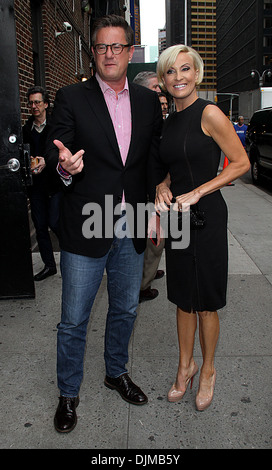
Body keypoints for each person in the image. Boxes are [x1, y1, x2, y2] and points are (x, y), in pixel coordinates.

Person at [45, 15, 163, 433]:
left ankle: (116, 372)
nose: (109, 54)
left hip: (131, 222)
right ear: (93, 52)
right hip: (86, 226)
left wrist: (153, 211)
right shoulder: (71, 97)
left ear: (130, 52)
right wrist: (65, 167)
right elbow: (55, 151)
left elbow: (150, 161)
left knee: (126, 309)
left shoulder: (149, 102)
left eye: (118, 46)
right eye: (101, 47)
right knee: (74, 319)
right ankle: (68, 393)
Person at [154, 45, 250, 411]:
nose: (178, 77)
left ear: (197, 73)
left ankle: (207, 370)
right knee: (182, 298)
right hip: (178, 215)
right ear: (163, 80)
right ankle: (185, 366)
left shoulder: (209, 113)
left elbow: (239, 163)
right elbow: (171, 164)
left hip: (207, 215)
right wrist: (162, 185)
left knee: (206, 301)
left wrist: (198, 190)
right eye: (170, 72)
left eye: (184, 70)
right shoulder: (168, 122)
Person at [132, 71, 165, 302]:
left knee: (155, 241)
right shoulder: (137, 120)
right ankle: (143, 285)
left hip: (157, 191)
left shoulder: (153, 117)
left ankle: (150, 274)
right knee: (153, 241)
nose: (160, 92)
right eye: (155, 88)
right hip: (147, 194)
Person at [23, 86, 61, 281]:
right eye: (31, 102)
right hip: (36, 185)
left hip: (54, 184)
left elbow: (64, 149)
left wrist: (47, 159)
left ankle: (71, 253)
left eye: (38, 102)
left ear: (46, 104)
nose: (34, 106)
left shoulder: (56, 126)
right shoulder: (26, 129)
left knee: (55, 222)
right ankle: (49, 265)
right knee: (39, 226)